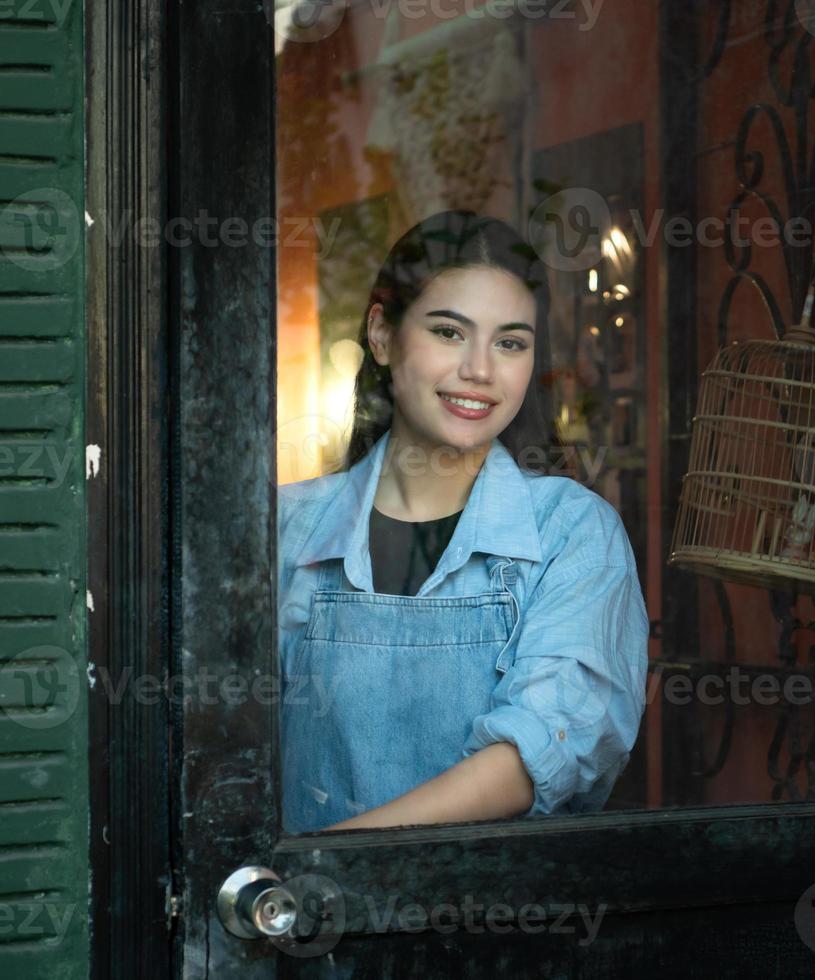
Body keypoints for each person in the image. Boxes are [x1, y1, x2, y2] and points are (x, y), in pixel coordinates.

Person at [277, 210, 648, 834]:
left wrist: (324, 860)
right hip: (299, 925)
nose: (480, 369)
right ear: (383, 335)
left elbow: (539, 750)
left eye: (510, 342)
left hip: (491, 918)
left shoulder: (572, 532)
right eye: (449, 333)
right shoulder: (287, 526)